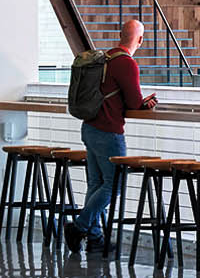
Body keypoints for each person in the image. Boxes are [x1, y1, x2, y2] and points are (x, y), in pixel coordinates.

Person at [66, 18, 157, 252]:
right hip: (109, 131)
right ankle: (79, 226)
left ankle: (94, 238)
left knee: (96, 184)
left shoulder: (104, 59)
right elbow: (135, 102)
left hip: (89, 127)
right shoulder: (127, 64)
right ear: (140, 40)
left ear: (120, 35)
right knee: (113, 186)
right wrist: (146, 104)